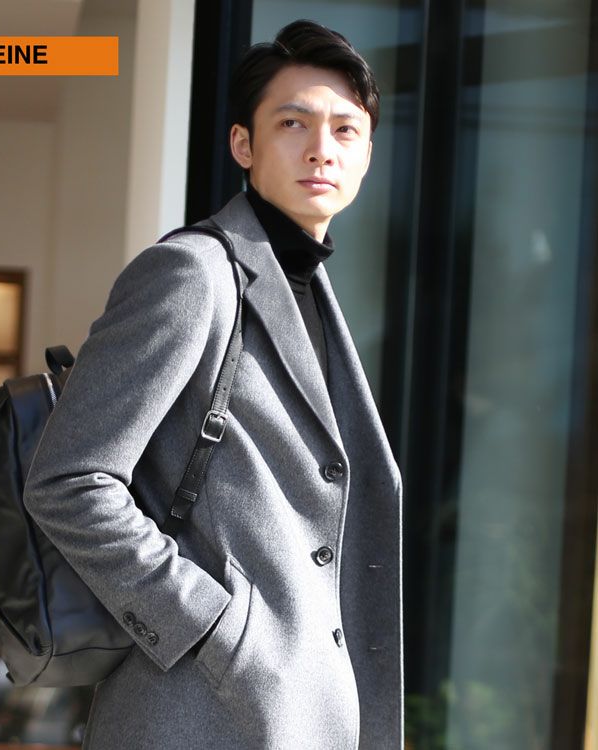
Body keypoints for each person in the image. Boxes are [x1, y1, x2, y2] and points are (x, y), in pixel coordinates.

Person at [23, 18, 402, 750]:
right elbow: (69, 481)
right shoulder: (193, 273)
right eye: (293, 123)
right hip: (200, 711)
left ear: (365, 154)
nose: (321, 148)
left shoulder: (309, 291)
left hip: (289, 713)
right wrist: (216, 631)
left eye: (345, 130)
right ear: (242, 144)